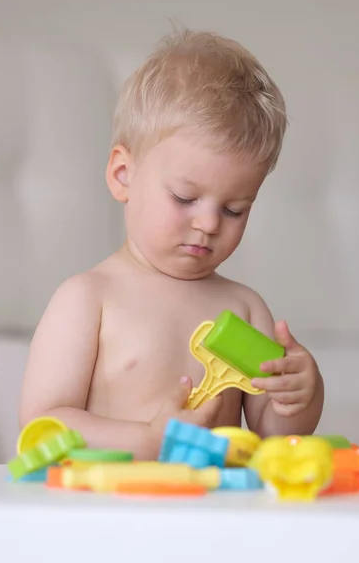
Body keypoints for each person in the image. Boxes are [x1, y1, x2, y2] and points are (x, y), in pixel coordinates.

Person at [19, 28, 324, 460]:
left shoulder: (244, 308)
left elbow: (274, 435)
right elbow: (41, 424)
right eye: (184, 198)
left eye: (235, 209)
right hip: (114, 513)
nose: (208, 223)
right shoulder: (89, 299)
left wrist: (299, 396)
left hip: (216, 514)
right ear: (123, 175)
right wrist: (148, 439)